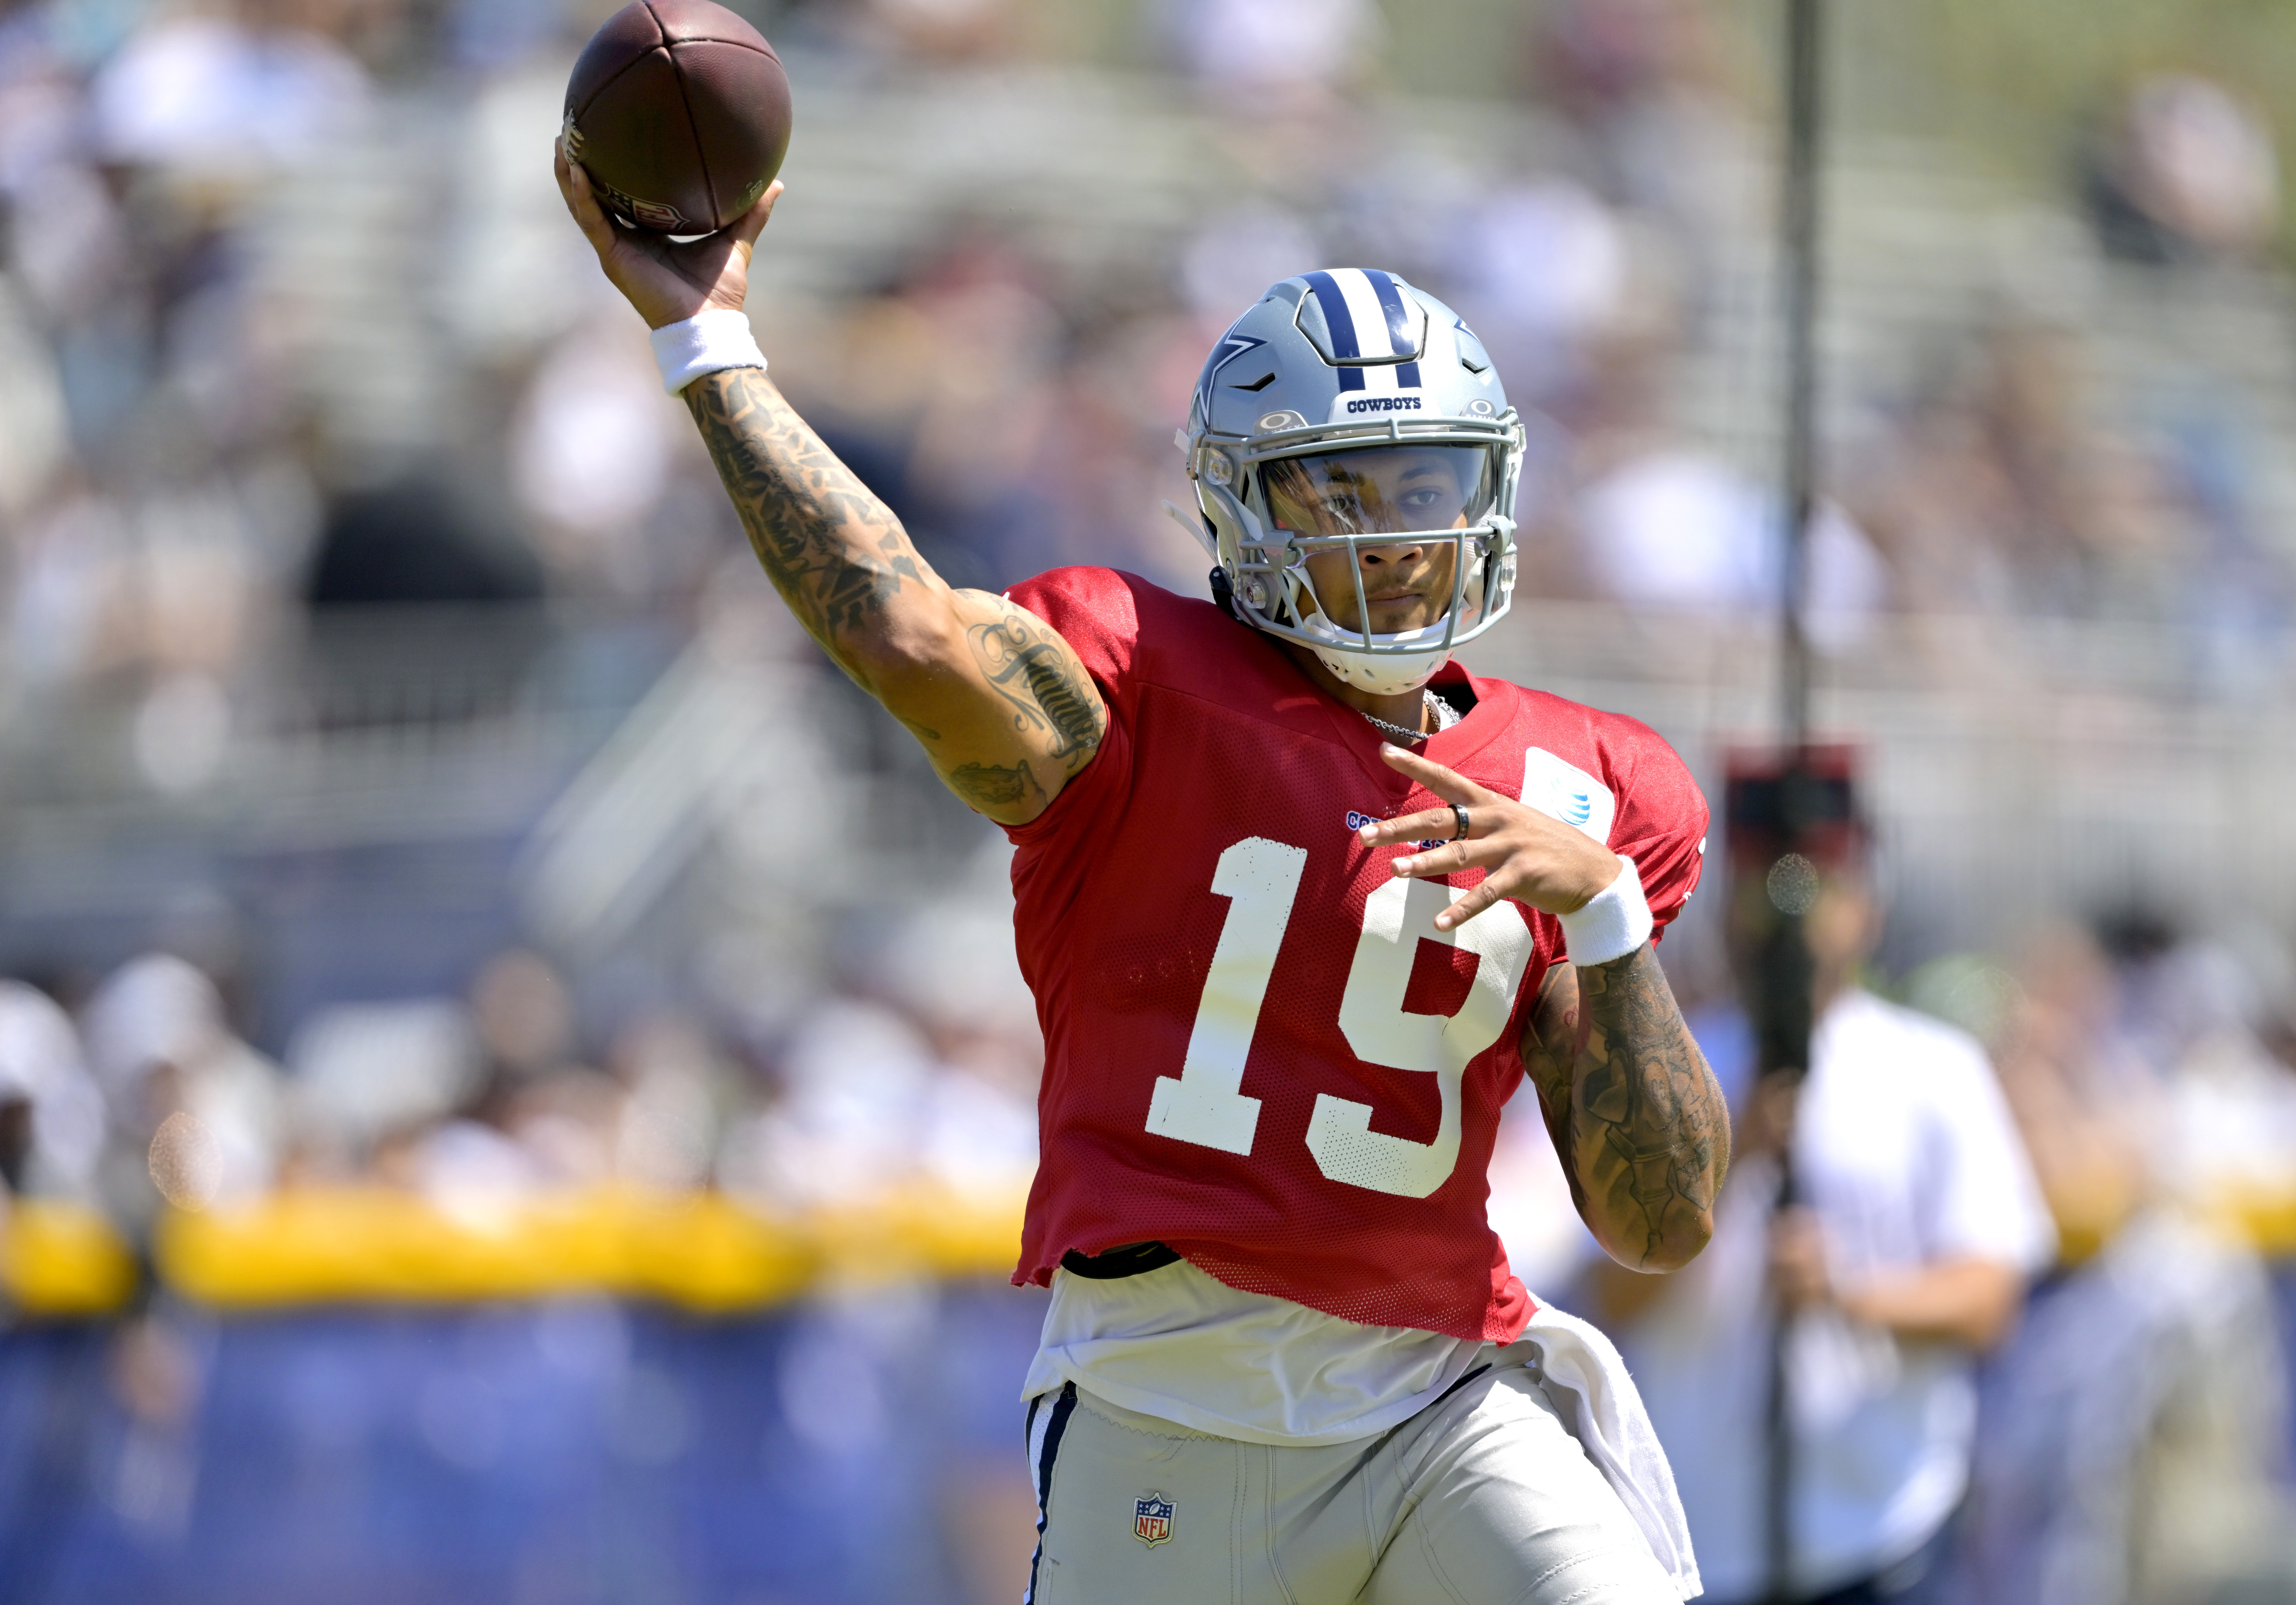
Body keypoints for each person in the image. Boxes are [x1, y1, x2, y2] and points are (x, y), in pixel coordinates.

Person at [554, 151, 1731, 1604]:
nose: (1397, 536)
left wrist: (1608, 920)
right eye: (1341, 492)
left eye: (1426, 483)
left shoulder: (1585, 781)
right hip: (1173, 1396)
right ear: (1242, 508)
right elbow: (911, 634)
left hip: (1440, 1395)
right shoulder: (1134, 683)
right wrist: (707, 340)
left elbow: (1660, 1225)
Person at [1596, 855, 2055, 1605]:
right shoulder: (1663, 1066)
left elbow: (1991, 1297)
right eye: (1765, 884)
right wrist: (1726, 1156)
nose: (1793, 915)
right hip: (1697, 1542)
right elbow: (1610, 1294)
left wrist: (1844, 1292)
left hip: (1887, 1531)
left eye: (1821, 886)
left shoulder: (1935, 1067)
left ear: (1867, 909)